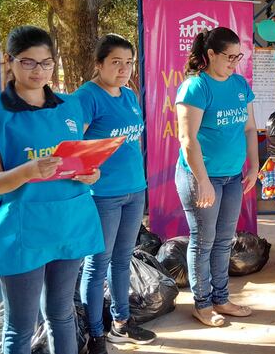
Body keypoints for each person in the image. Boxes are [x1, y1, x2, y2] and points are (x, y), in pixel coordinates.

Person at [0, 26, 104, 354]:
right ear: (9, 61)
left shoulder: (69, 107)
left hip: (69, 221)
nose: (38, 71)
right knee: (21, 326)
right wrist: (28, 171)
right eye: (28, 62)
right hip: (22, 227)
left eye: (46, 63)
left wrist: (90, 174)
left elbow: (77, 160)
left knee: (61, 313)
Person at [76, 34, 155, 354]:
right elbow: (74, 147)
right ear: (99, 64)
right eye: (116, 62)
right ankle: (96, 333)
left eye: (129, 63)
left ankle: (121, 324)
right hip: (102, 195)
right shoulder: (86, 97)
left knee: (123, 260)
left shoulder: (129, 95)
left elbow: (132, 141)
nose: (123, 69)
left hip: (134, 190)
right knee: (98, 264)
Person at [175, 27, 259, 327]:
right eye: (229, 56)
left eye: (239, 56)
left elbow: (250, 129)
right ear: (210, 54)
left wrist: (253, 166)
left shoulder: (239, 84)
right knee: (203, 240)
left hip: (232, 177)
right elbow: (188, 139)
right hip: (201, 177)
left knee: (224, 241)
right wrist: (203, 180)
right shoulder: (195, 87)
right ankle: (202, 303)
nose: (235, 62)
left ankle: (221, 299)